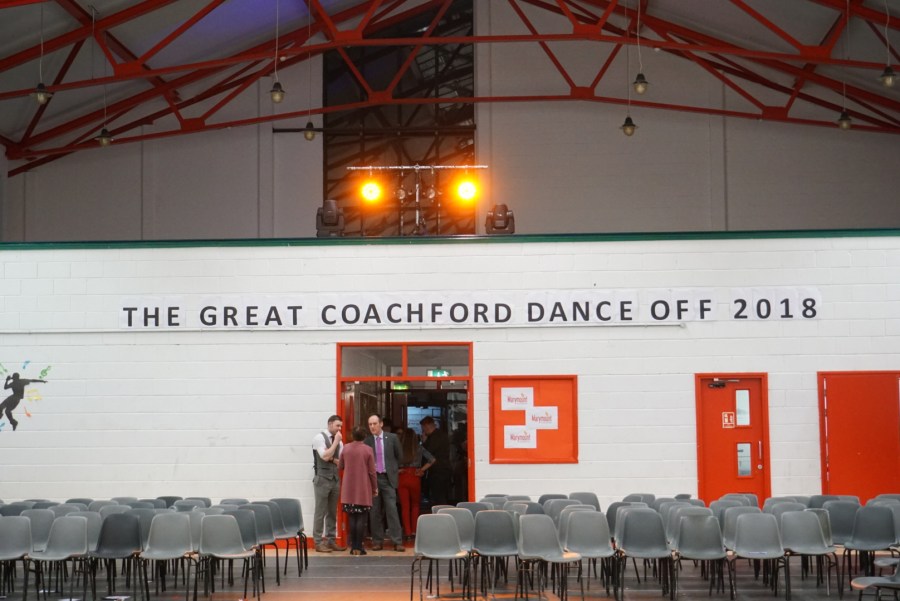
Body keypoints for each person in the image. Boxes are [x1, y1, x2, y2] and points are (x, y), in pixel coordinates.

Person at [365, 414, 405, 551]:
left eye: (375, 424)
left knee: (392, 509)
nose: (372, 427)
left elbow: (399, 456)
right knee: (374, 511)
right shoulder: (367, 441)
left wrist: (392, 469)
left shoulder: (392, 438)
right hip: (374, 479)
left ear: (381, 424)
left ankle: (397, 541)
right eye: (370, 424)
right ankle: (377, 541)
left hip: (388, 478)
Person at [339, 426, 378, 555]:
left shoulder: (346, 448)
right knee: (361, 518)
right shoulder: (368, 450)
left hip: (348, 488)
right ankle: (359, 546)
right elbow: (372, 472)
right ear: (365, 436)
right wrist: (375, 488)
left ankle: (353, 547)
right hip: (363, 488)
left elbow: (341, 465)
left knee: (352, 517)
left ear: (352, 436)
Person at [311, 414, 346, 552]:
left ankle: (331, 540)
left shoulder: (340, 442)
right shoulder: (319, 438)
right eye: (337, 426)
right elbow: (324, 456)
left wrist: (333, 456)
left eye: (340, 426)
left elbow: (341, 461)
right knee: (320, 511)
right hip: (322, 479)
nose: (339, 429)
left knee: (332, 511)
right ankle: (318, 542)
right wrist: (336, 443)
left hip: (335, 479)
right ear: (330, 424)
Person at [397, 427, 436, 538]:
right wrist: (422, 470)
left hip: (402, 476)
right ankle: (414, 531)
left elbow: (390, 462)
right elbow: (432, 459)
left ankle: (407, 532)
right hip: (415, 476)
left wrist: (397, 470)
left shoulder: (398, 448)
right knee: (415, 505)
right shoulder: (419, 447)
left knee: (405, 506)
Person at [420, 416, 452, 509]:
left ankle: (442, 513)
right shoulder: (441, 435)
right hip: (442, 469)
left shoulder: (435, 437)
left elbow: (428, 453)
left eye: (423, 428)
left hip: (439, 471)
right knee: (441, 495)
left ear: (427, 426)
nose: (423, 431)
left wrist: (424, 442)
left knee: (439, 496)